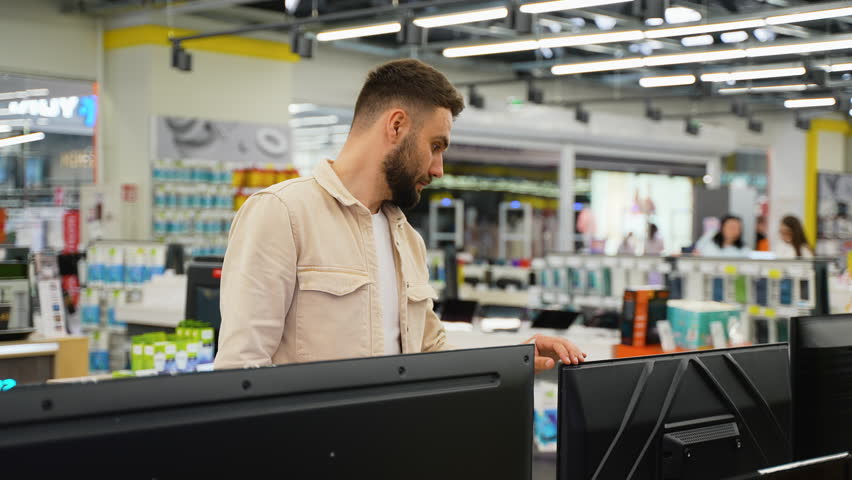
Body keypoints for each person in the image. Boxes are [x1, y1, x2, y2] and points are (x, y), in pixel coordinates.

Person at [214, 59, 586, 373]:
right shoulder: (282, 213)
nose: (439, 168)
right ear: (396, 126)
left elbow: (432, 358)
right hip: (308, 455)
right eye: (435, 146)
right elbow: (242, 367)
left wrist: (516, 357)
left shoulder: (407, 239)